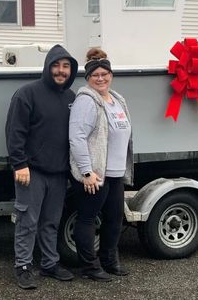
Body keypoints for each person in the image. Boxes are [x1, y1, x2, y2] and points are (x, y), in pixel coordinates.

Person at [5, 44, 78, 289]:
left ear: (71, 70)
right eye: (56, 66)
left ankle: (50, 264)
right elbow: (15, 132)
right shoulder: (27, 94)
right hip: (31, 172)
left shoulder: (71, 98)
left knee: (51, 222)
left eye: (66, 66)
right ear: (47, 67)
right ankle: (23, 266)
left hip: (59, 174)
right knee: (28, 222)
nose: (61, 71)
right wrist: (19, 164)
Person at [69, 48, 133, 282]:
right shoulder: (86, 101)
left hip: (115, 173)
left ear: (111, 75)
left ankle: (109, 261)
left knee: (115, 219)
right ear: (88, 78)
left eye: (104, 73)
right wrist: (87, 172)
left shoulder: (117, 99)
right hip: (95, 174)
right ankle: (89, 267)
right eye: (95, 74)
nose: (100, 78)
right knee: (87, 219)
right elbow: (76, 137)